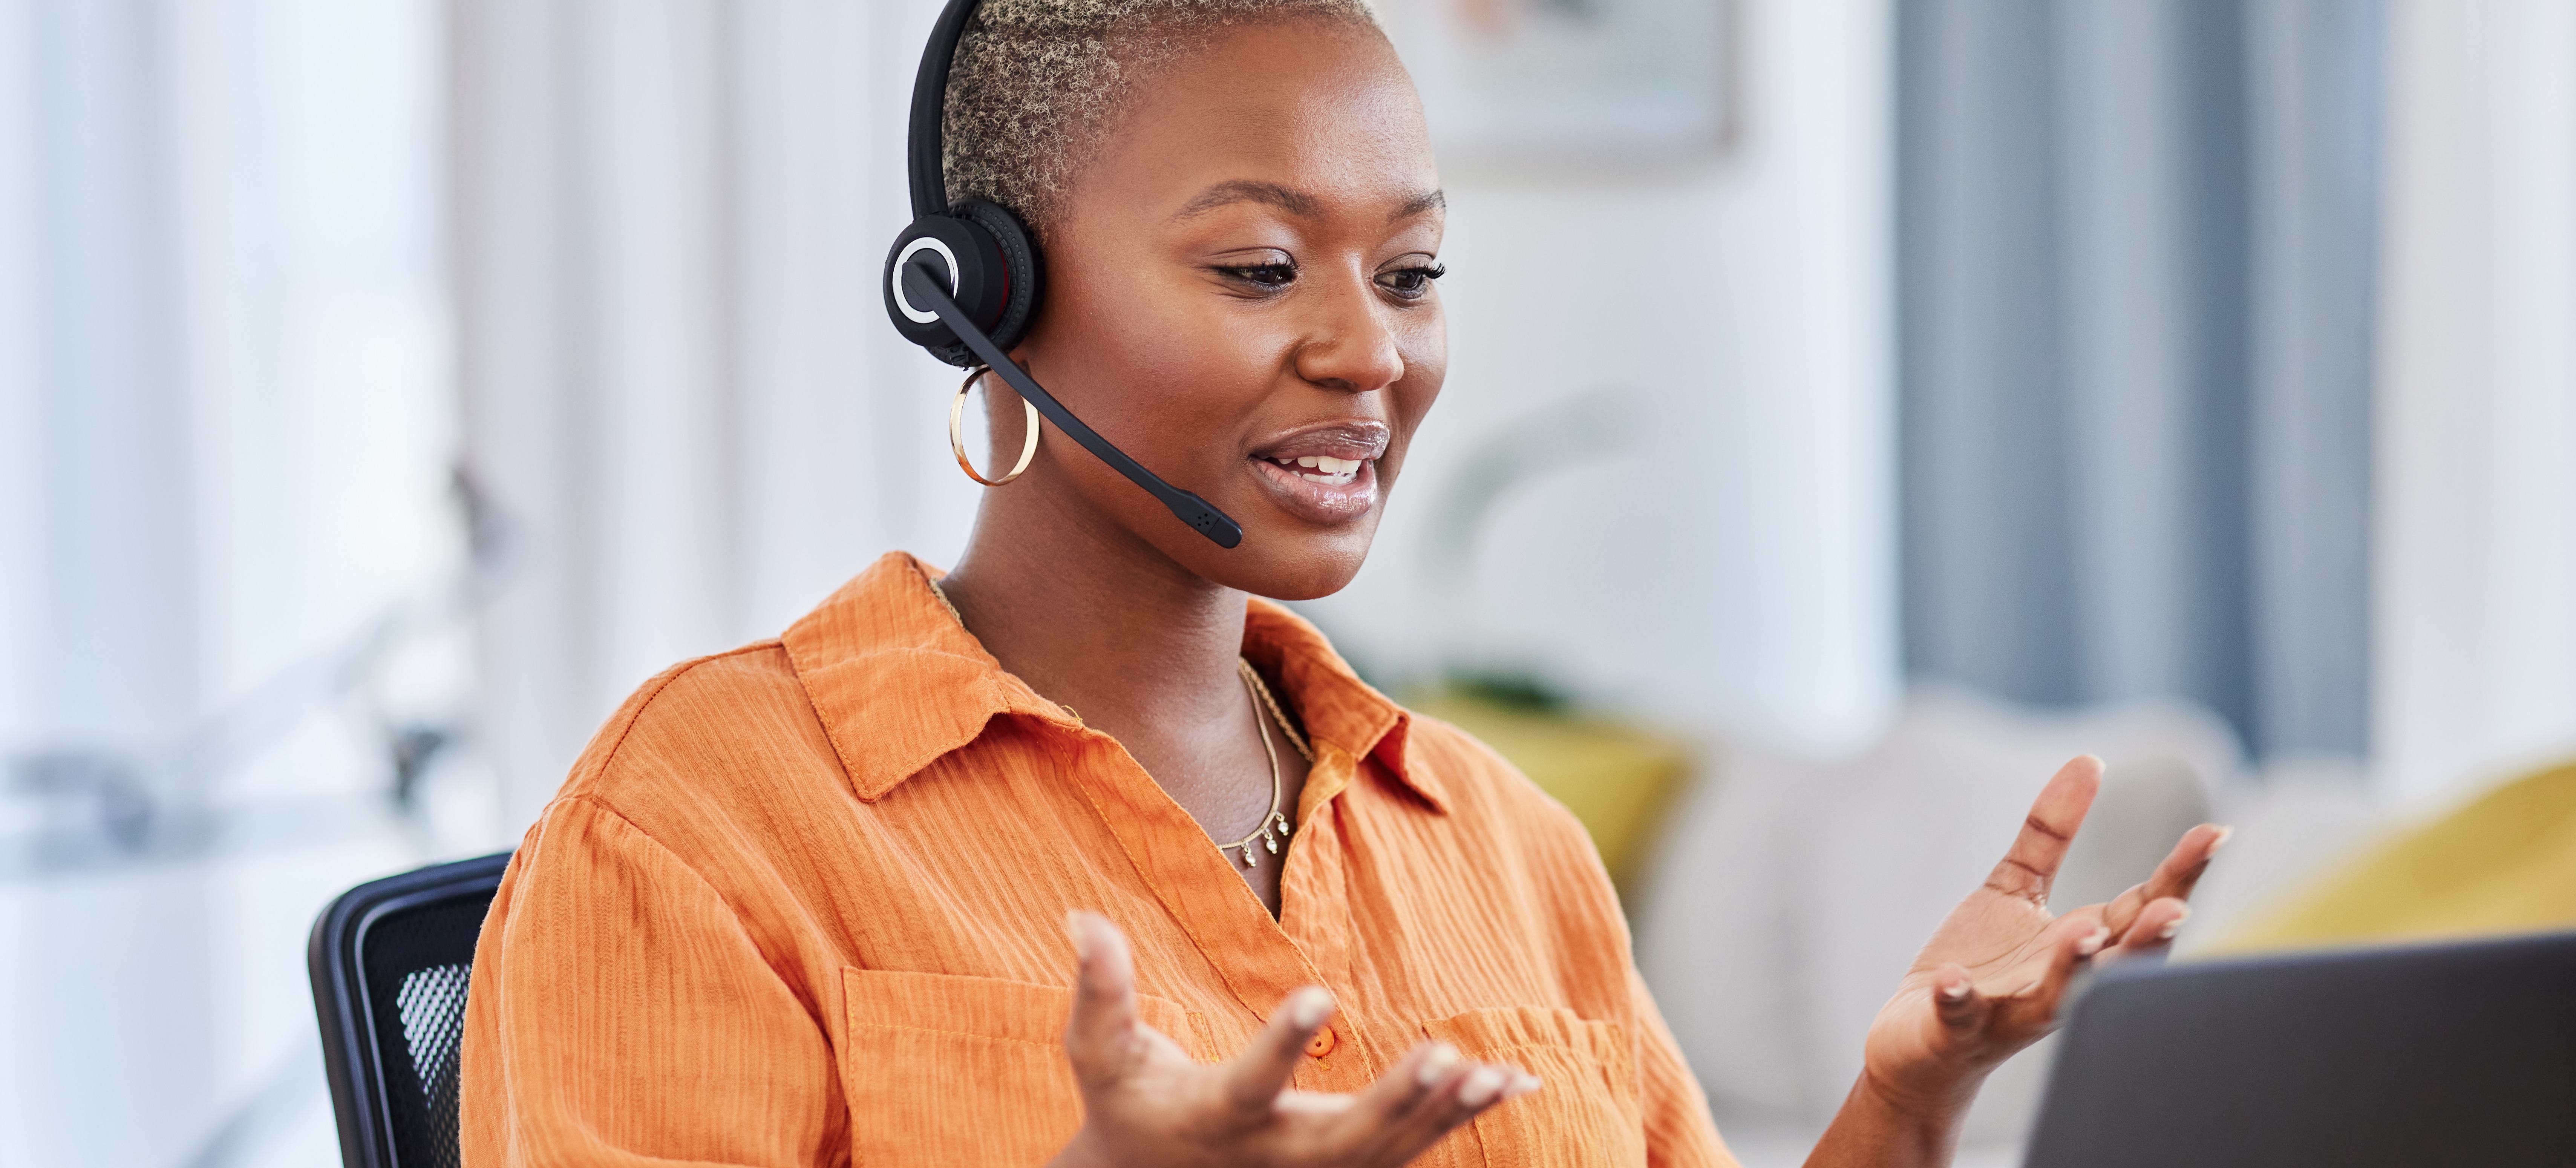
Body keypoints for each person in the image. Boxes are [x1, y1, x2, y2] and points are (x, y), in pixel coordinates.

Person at [458, 2, 2227, 1165]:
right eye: (1256, 265)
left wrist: (1905, 1098)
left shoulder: (1500, 844)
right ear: (982, 296)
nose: (1365, 350)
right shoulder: (702, 822)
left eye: (1412, 269)